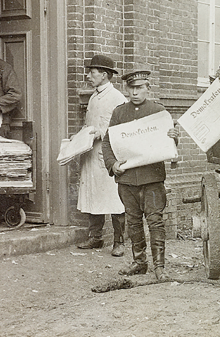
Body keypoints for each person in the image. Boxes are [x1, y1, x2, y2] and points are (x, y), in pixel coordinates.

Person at [102, 70, 179, 280]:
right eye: (131, 88)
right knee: (133, 222)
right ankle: (139, 262)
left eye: (139, 88)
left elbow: (168, 146)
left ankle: (160, 267)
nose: (135, 93)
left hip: (152, 178)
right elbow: (108, 142)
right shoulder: (119, 113)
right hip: (127, 179)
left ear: (148, 88)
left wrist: (173, 137)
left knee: (155, 221)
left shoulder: (159, 112)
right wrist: (112, 164)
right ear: (127, 89)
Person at [76, 55, 128, 257]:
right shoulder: (94, 96)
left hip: (107, 154)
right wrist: (80, 136)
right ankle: (95, 237)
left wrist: (101, 132)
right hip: (91, 152)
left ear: (104, 75)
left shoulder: (116, 98)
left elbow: (121, 127)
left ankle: (119, 242)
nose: (88, 76)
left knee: (114, 198)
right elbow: (91, 122)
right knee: (93, 194)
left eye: (92, 72)